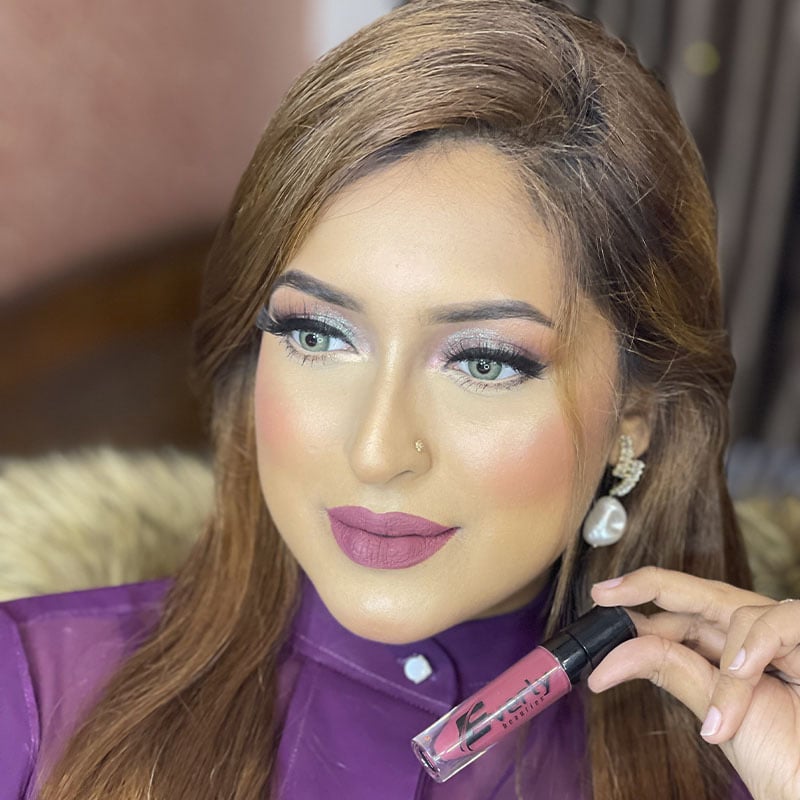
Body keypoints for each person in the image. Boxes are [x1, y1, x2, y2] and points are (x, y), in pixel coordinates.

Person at [1, 1, 798, 798]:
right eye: (318, 336)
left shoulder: (746, 760)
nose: (377, 451)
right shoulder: (33, 693)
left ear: (635, 414)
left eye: (483, 362)